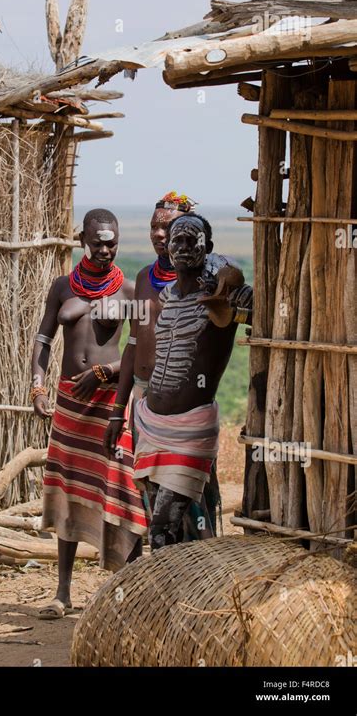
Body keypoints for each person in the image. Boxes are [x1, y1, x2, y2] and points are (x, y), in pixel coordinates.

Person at [110, 211, 252, 551]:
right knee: (162, 530)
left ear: (208, 247)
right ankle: (174, 596)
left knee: (162, 527)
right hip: (150, 422)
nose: (185, 247)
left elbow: (253, 308)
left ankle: (167, 598)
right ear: (168, 249)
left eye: (193, 240)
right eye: (179, 240)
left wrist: (241, 295)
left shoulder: (222, 297)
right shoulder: (167, 297)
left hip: (189, 429)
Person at [31, 208, 147, 618]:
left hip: (110, 403)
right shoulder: (63, 286)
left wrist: (104, 372)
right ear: (82, 239)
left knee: (118, 487)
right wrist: (38, 385)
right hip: (69, 401)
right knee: (66, 488)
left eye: (111, 242)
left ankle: (127, 592)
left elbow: (142, 351)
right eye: (97, 242)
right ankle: (63, 593)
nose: (104, 250)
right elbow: (44, 339)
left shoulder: (130, 292)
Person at [104, 192, 220, 539]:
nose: (158, 234)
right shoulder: (143, 279)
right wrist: (118, 411)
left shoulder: (206, 283)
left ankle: (202, 571)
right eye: (155, 226)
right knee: (154, 497)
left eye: (167, 227)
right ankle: (167, 573)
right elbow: (133, 345)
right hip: (144, 403)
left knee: (192, 499)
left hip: (185, 407)